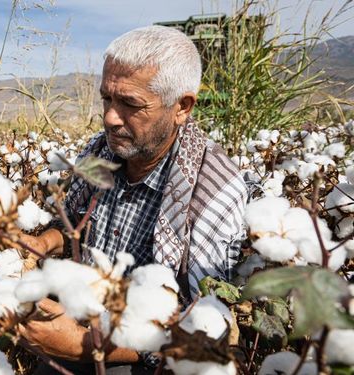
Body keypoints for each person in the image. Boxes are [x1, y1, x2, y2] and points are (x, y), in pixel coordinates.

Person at [17, 25, 248, 374]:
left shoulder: (213, 193)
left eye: (130, 104)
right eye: (107, 99)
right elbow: (74, 224)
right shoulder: (101, 152)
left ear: (181, 107)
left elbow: (201, 328)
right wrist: (42, 242)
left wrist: (87, 346)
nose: (110, 117)